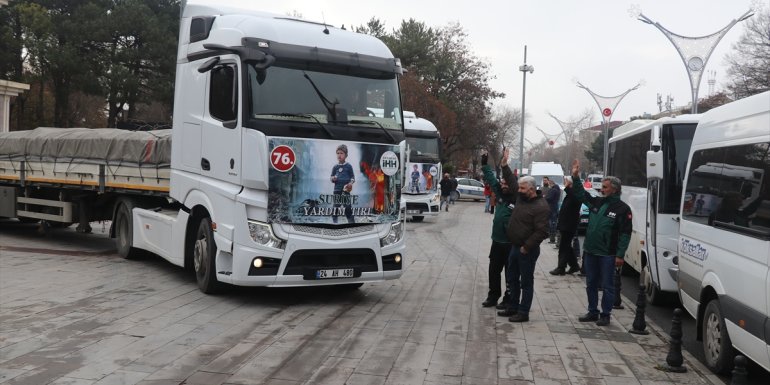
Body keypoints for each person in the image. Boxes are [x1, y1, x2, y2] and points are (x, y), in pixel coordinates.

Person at [570, 159, 632, 327]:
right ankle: (592, 311)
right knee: (590, 283)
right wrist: (575, 177)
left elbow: (625, 234)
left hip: (608, 254)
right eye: (602, 187)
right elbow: (581, 194)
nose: (601, 189)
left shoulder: (622, 209)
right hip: (590, 251)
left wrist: (620, 255)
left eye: (605, 187)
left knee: (608, 286)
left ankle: (605, 314)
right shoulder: (597, 202)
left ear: (614, 189)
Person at [497, 175, 550, 322]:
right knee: (512, 278)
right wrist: (504, 166)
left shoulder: (541, 206)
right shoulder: (521, 197)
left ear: (532, 189)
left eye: (522, 188)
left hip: (527, 250)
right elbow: (513, 184)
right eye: (519, 188)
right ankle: (512, 307)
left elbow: (542, 231)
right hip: (515, 247)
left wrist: (527, 247)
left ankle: (523, 312)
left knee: (526, 282)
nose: (519, 190)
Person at [480, 148, 518, 309]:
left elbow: (514, 184)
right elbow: (490, 178)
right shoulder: (500, 194)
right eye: (501, 183)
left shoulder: (517, 198)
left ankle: (508, 299)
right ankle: (493, 296)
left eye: (505, 183)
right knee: (493, 271)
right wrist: (484, 164)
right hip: (497, 242)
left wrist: (505, 166)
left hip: (510, 243)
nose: (502, 185)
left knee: (510, 274)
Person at [549, 176, 581, 276]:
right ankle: (574, 265)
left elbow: (575, 199)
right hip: (565, 225)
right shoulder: (570, 194)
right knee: (566, 246)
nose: (564, 183)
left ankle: (561, 268)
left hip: (569, 225)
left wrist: (568, 187)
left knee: (563, 247)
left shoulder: (575, 194)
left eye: (566, 181)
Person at [330, 144, 355, 223]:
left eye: (341, 153)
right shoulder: (335, 167)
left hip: (346, 191)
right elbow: (331, 177)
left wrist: (350, 183)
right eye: (338, 153)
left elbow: (353, 178)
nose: (339, 155)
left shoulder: (349, 166)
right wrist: (333, 178)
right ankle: (335, 224)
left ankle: (352, 224)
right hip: (337, 191)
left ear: (346, 155)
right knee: (335, 209)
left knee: (347, 209)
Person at [543, 177, 561, 244]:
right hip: (554, 208)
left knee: (552, 223)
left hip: (552, 208)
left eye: (549, 184)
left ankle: (552, 239)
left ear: (551, 183)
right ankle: (552, 239)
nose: (549, 185)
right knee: (553, 223)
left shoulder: (553, 190)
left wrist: (545, 197)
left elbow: (549, 198)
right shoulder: (557, 189)